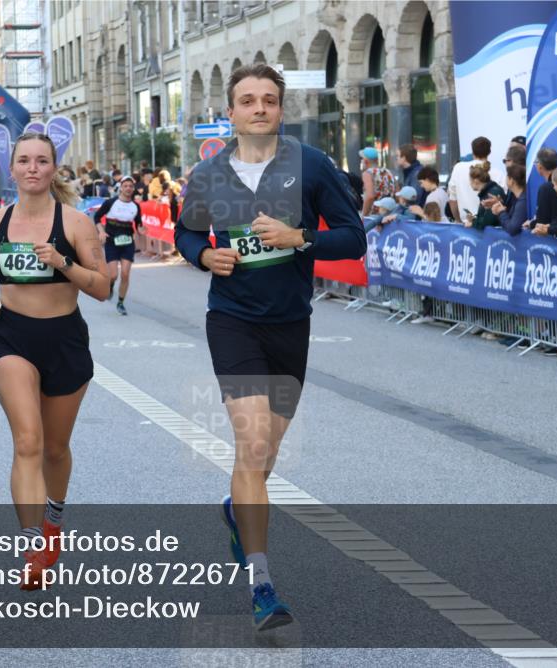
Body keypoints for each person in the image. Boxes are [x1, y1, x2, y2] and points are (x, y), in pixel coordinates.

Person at [174, 63, 366, 631]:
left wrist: (299, 237)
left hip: (290, 323)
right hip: (232, 320)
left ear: (280, 109)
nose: (259, 108)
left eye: (269, 100)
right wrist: (204, 255)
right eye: (248, 100)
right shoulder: (209, 174)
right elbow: (187, 231)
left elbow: (353, 237)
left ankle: (238, 508)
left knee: (265, 455)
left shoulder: (311, 164)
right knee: (253, 441)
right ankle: (261, 584)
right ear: (230, 112)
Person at [0, 131, 110, 590]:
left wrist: (63, 263)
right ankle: (31, 550)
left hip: (65, 341)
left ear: (53, 168)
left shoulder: (76, 224)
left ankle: (53, 524)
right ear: (12, 169)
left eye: (41, 161)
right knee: (28, 440)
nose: (32, 168)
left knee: (55, 449)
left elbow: (102, 288)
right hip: (11, 339)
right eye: (24, 160)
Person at [92, 175, 144, 315]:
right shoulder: (111, 202)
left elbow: (138, 225)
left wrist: (141, 230)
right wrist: (101, 232)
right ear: (121, 188)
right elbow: (97, 217)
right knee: (113, 275)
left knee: (125, 274)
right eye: (125, 186)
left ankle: (120, 302)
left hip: (127, 243)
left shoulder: (135, 206)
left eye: (130, 186)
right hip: (112, 242)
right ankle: (110, 285)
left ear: (133, 189)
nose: (128, 188)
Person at [449, 136, 497, 221]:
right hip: (489, 225)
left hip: (466, 223)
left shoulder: (458, 168)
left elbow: (453, 200)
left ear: (473, 151)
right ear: (489, 152)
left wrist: (458, 221)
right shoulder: (498, 173)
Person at [531, 147, 557, 229]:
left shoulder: (545, 189)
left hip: (553, 234)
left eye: (535, 162)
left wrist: (532, 224)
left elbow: (542, 221)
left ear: (540, 166)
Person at [464, 162, 504, 230]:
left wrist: (473, 222)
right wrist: (474, 219)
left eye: (470, 180)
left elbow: (489, 221)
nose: (469, 183)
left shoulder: (491, 193)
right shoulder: (488, 192)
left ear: (476, 181)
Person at [490, 163, 527, 236]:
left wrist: (501, 212)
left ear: (511, 180)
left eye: (507, 176)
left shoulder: (523, 201)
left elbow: (512, 228)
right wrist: (500, 207)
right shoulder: (516, 198)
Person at [359, 147, 397, 216]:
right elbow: (397, 191)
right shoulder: (388, 172)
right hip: (390, 213)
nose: (361, 161)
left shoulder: (368, 174)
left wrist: (363, 215)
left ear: (365, 161)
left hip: (375, 215)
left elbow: (370, 196)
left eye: (361, 159)